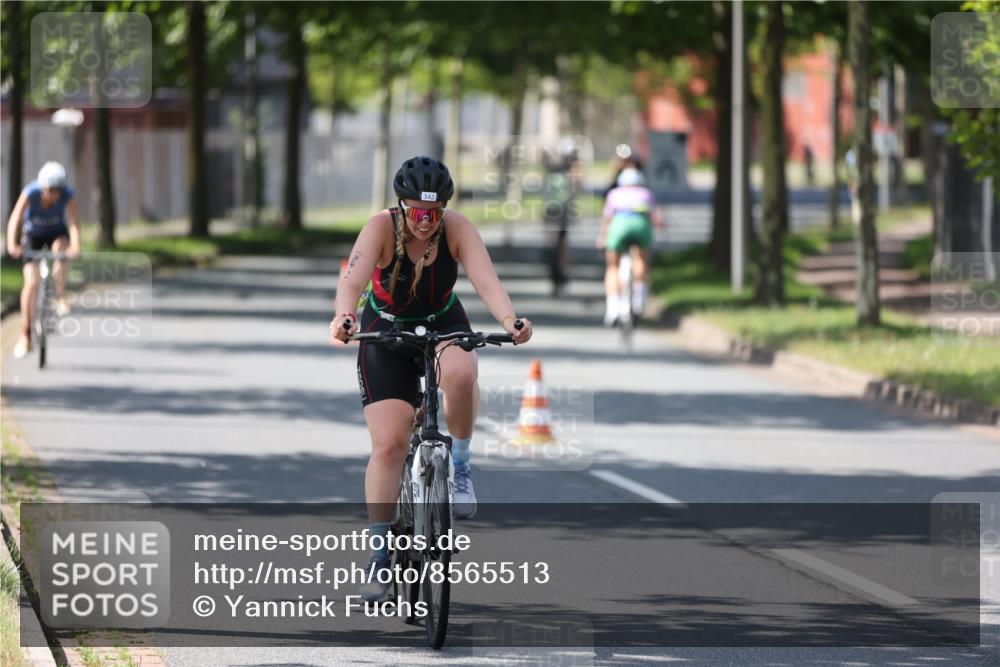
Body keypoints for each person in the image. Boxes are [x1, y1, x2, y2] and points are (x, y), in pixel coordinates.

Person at [328, 156, 533, 601]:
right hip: (385, 326)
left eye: (435, 212)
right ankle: (380, 557)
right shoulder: (379, 228)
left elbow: (487, 280)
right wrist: (344, 317)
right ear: (401, 207)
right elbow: (351, 282)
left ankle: (459, 468)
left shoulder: (457, 229)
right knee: (389, 442)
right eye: (418, 213)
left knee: (461, 372)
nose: (427, 222)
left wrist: (511, 319)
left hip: (441, 321)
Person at [5, 162, 81, 358]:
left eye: (57, 190)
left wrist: (76, 246)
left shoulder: (67, 195)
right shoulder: (30, 192)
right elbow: (15, 218)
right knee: (31, 281)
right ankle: (25, 334)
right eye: (49, 189)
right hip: (33, 235)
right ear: (42, 187)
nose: (53, 194)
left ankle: (59, 295)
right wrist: (12, 244)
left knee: (61, 251)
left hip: (56, 234)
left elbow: (73, 223)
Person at [597, 167, 663, 326]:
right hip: (641, 226)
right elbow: (657, 218)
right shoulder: (646, 193)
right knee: (641, 259)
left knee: (613, 266)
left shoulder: (614, 194)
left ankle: (612, 309)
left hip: (619, 226)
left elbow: (607, 218)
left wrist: (602, 237)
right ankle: (639, 301)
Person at [542, 138, 581, 295]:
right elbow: (575, 190)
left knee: (553, 242)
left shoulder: (551, 167)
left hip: (550, 209)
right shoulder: (572, 169)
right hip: (561, 210)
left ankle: (557, 272)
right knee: (561, 243)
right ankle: (561, 271)